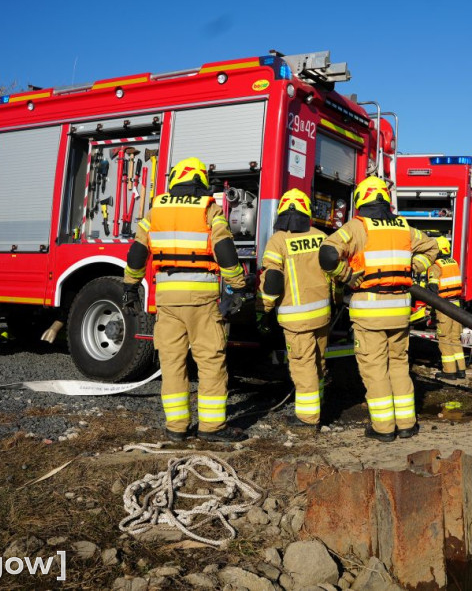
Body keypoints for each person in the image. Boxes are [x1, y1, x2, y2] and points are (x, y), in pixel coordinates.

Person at [122, 157, 249, 443]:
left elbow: (137, 252)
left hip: (167, 299)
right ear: (201, 181)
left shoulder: (156, 209)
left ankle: (177, 427)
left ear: (176, 179)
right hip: (201, 298)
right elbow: (225, 249)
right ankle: (212, 428)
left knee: (171, 362)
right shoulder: (209, 208)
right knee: (209, 361)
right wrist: (238, 286)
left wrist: (130, 286)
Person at [319, 176, 438, 442]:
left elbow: (326, 254)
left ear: (361, 199)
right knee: (398, 365)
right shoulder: (403, 228)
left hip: (369, 312)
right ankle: (407, 424)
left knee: (375, 369)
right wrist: (413, 266)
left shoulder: (357, 228)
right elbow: (432, 247)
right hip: (399, 311)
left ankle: (383, 428)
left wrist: (346, 275)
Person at [259, 189, 332, 430]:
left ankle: (308, 418)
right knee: (319, 362)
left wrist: (265, 308)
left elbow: (272, 280)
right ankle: (320, 405)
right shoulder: (322, 237)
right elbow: (333, 275)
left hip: (295, 319)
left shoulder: (278, 241)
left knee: (303, 366)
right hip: (322, 316)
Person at [428, 235, 467, 380]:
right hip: (456, 306)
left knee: (444, 339)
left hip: (444, 307)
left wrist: (428, 308)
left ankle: (449, 371)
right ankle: (461, 370)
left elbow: (432, 288)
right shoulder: (453, 263)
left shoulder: (436, 266)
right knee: (455, 339)